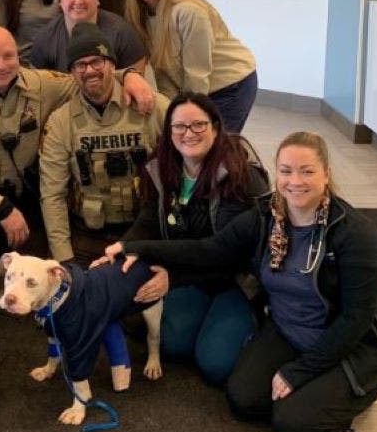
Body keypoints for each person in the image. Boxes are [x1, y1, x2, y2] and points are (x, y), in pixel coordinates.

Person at [101, 131, 377, 432]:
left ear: (327, 175)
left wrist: (300, 372)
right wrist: (136, 246)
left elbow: (356, 320)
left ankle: (352, 393)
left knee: (293, 425)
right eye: (286, 171)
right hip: (289, 331)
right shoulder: (267, 214)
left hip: (348, 343)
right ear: (276, 173)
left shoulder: (356, 235)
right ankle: (316, 396)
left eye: (307, 171)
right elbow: (210, 250)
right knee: (244, 399)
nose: (295, 181)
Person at [0, 25, 156, 263]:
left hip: (29, 201)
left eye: (9, 56)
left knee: (37, 279)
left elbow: (89, 78)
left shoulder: (42, 84)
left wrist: (129, 75)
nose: (2, 65)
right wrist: (1, 208)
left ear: (19, 56)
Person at [111, 91, 270, 386]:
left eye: (198, 125)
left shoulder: (241, 177)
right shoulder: (163, 168)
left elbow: (224, 253)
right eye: (179, 126)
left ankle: (252, 325)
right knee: (172, 345)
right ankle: (204, 322)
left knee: (216, 365)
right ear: (169, 131)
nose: (189, 133)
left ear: (216, 127)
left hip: (235, 280)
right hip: (193, 278)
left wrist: (172, 274)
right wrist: (123, 252)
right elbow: (147, 220)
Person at [39, 22, 169, 267]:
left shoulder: (152, 106)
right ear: (71, 72)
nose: (89, 70)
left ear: (113, 65)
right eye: (80, 64)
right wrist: (63, 257)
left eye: (97, 61)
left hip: (144, 232)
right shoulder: (60, 122)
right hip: (87, 236)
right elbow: (52, 194)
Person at [123, 0, 259, 133]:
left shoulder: (188, 12)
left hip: (230, 85)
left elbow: (197, 75)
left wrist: (189, 115)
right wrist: (171, 111)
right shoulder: (141, 16)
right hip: (200, 87)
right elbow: (163, 73)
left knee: (215, 148)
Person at [28, 0, 149, 74]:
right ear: (60, 1)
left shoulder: (121, 33)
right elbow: (39, 86)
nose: (79, 1)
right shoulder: (45, 38)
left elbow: (136, 79)